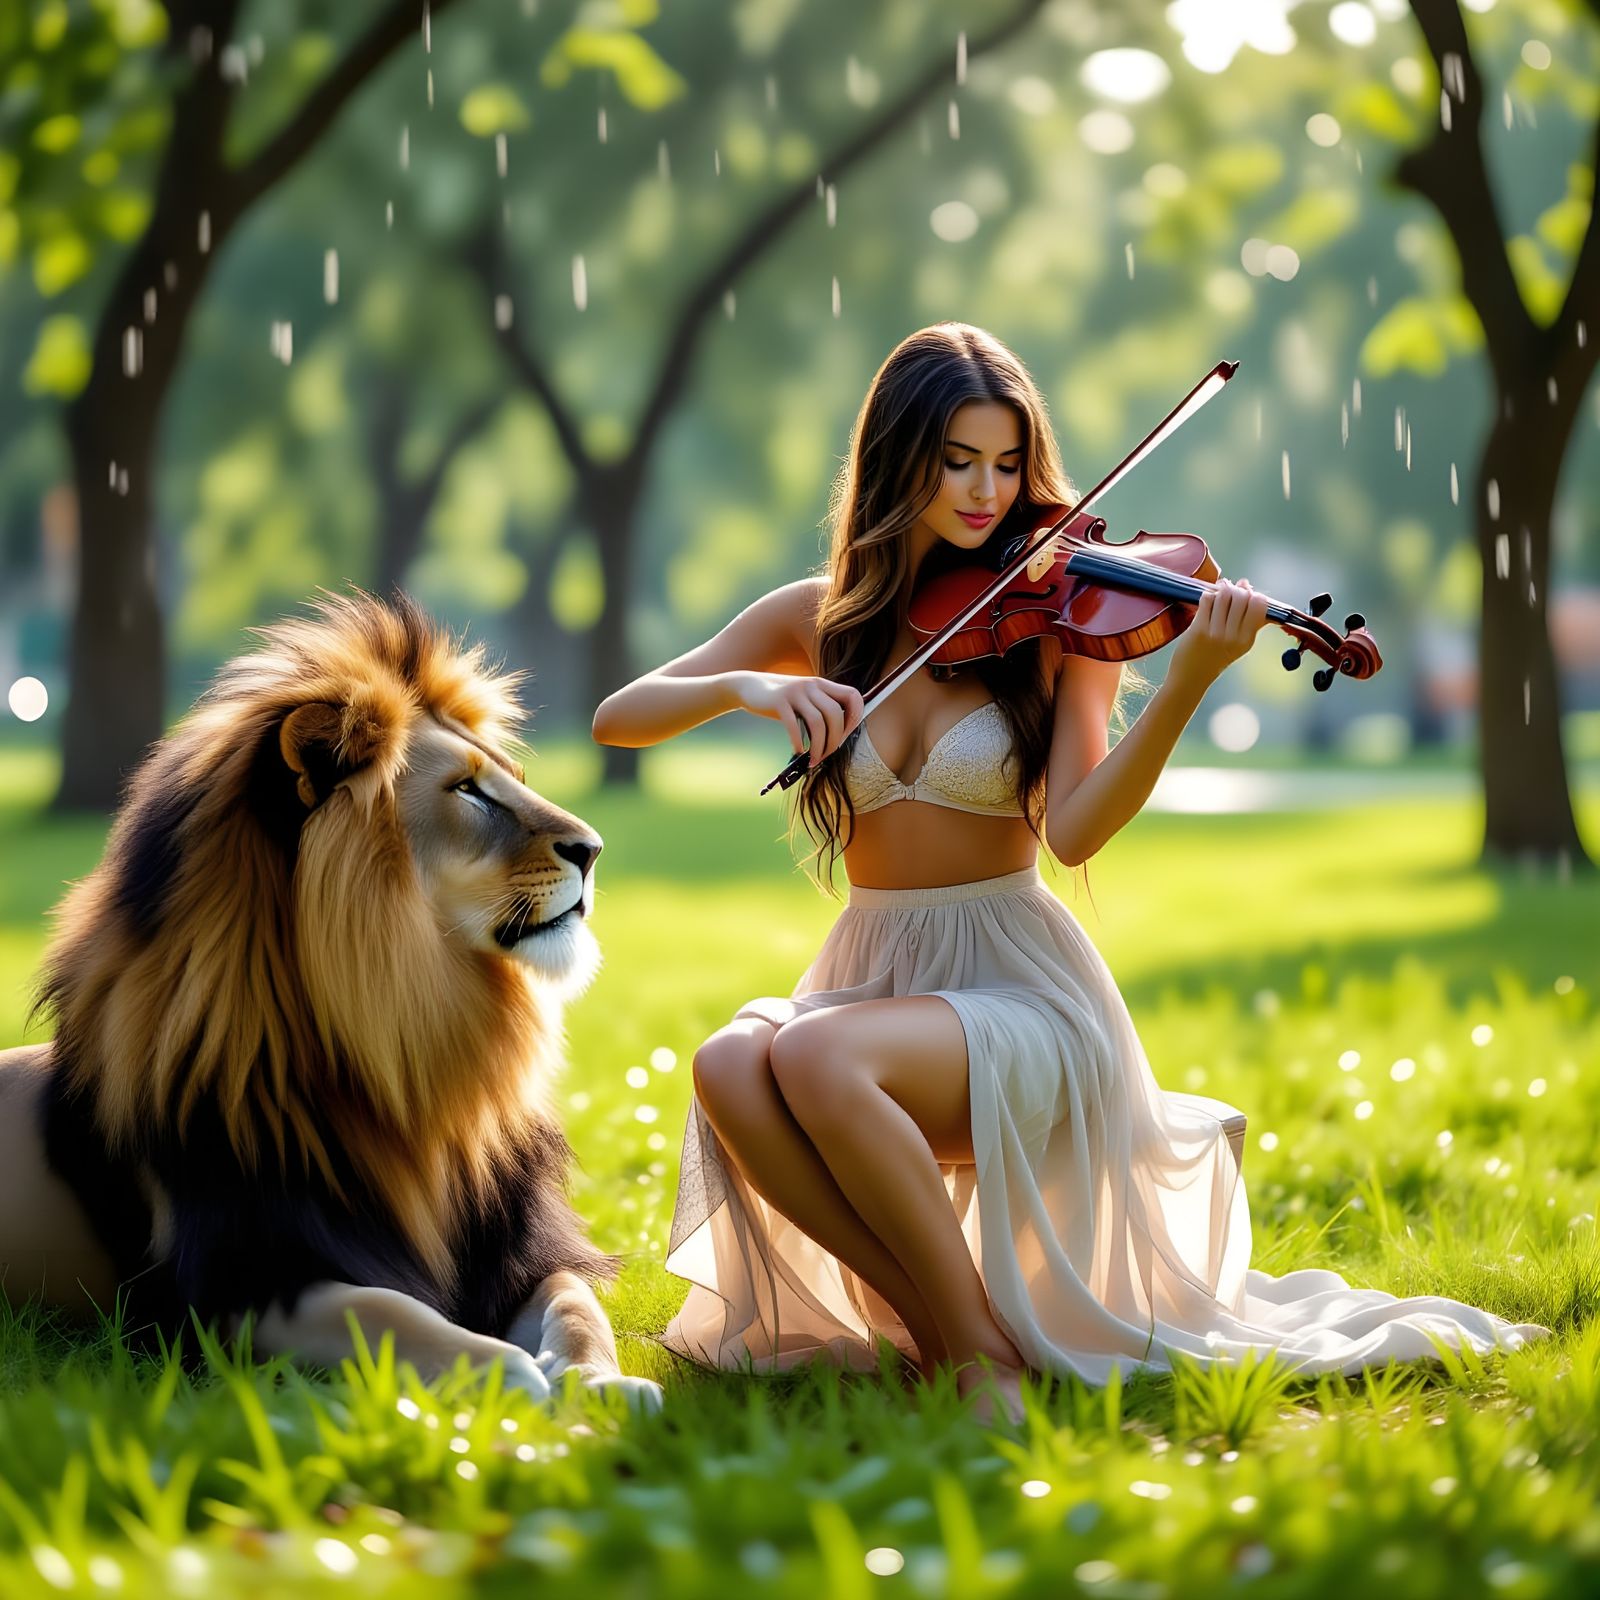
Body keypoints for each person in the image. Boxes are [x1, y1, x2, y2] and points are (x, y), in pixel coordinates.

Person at [591, 322, 1550, 1424]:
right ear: (897, 460)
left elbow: (1078, 831)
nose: (986, 493)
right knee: (726, 1063)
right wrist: (749, 691)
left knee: (809, 1050)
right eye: (957, 460)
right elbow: (621, 718)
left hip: (1017, 993)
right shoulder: (823, 620)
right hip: (877, 975)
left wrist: (1188, 677)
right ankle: (951, 1328)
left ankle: (975, 1361)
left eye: (1006, 464)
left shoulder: (1052, 627)